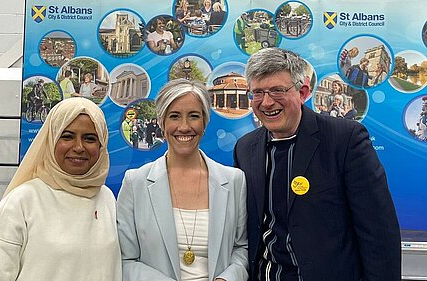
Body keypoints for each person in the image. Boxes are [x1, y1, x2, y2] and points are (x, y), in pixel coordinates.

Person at [234, 47, 400, 281]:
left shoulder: (345, 140)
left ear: (303, 92)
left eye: (278, 90)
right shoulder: (245, 148)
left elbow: (379, 233)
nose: (267, 102)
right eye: (258, 93)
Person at [0, 98, 122, 281]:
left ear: (101, 145)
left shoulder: (106, 198)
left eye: (89, 138)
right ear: (51, 140)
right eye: (67, 136)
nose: (79, 147)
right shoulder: (22, 201)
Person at [117, 78, 248, 281]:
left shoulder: (234, 181)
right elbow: (126, 261)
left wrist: (227, 279)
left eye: (193, 116)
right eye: (175, 116)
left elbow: (242, 247)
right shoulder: (136, 183)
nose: (184, 126)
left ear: (205, 122)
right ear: (162, 122)